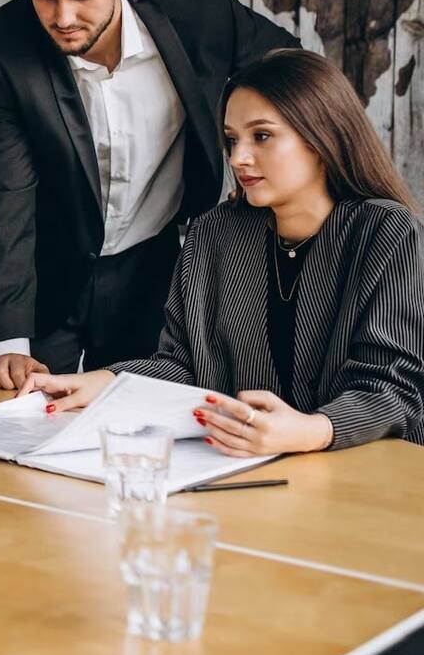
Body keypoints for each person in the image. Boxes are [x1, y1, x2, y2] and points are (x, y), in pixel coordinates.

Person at [0, 0, 299, 389]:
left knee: (141, 422)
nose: (62, 18)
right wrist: (8, 342)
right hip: (46, 276)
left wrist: (246, 154)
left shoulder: (202, 12)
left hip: (153, 270)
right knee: (20, 425)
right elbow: (4, 191)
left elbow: (293, 72)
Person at [26, 49, 423, 452]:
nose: (238, 158)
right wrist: (106, 382)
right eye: (232, 140)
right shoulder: (212, 233)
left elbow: (392, 388)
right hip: (238, 471)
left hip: (363, 476)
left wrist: (310, 431)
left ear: (321, 136)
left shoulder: (385, 231)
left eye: (262, 136)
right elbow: (183, 366)